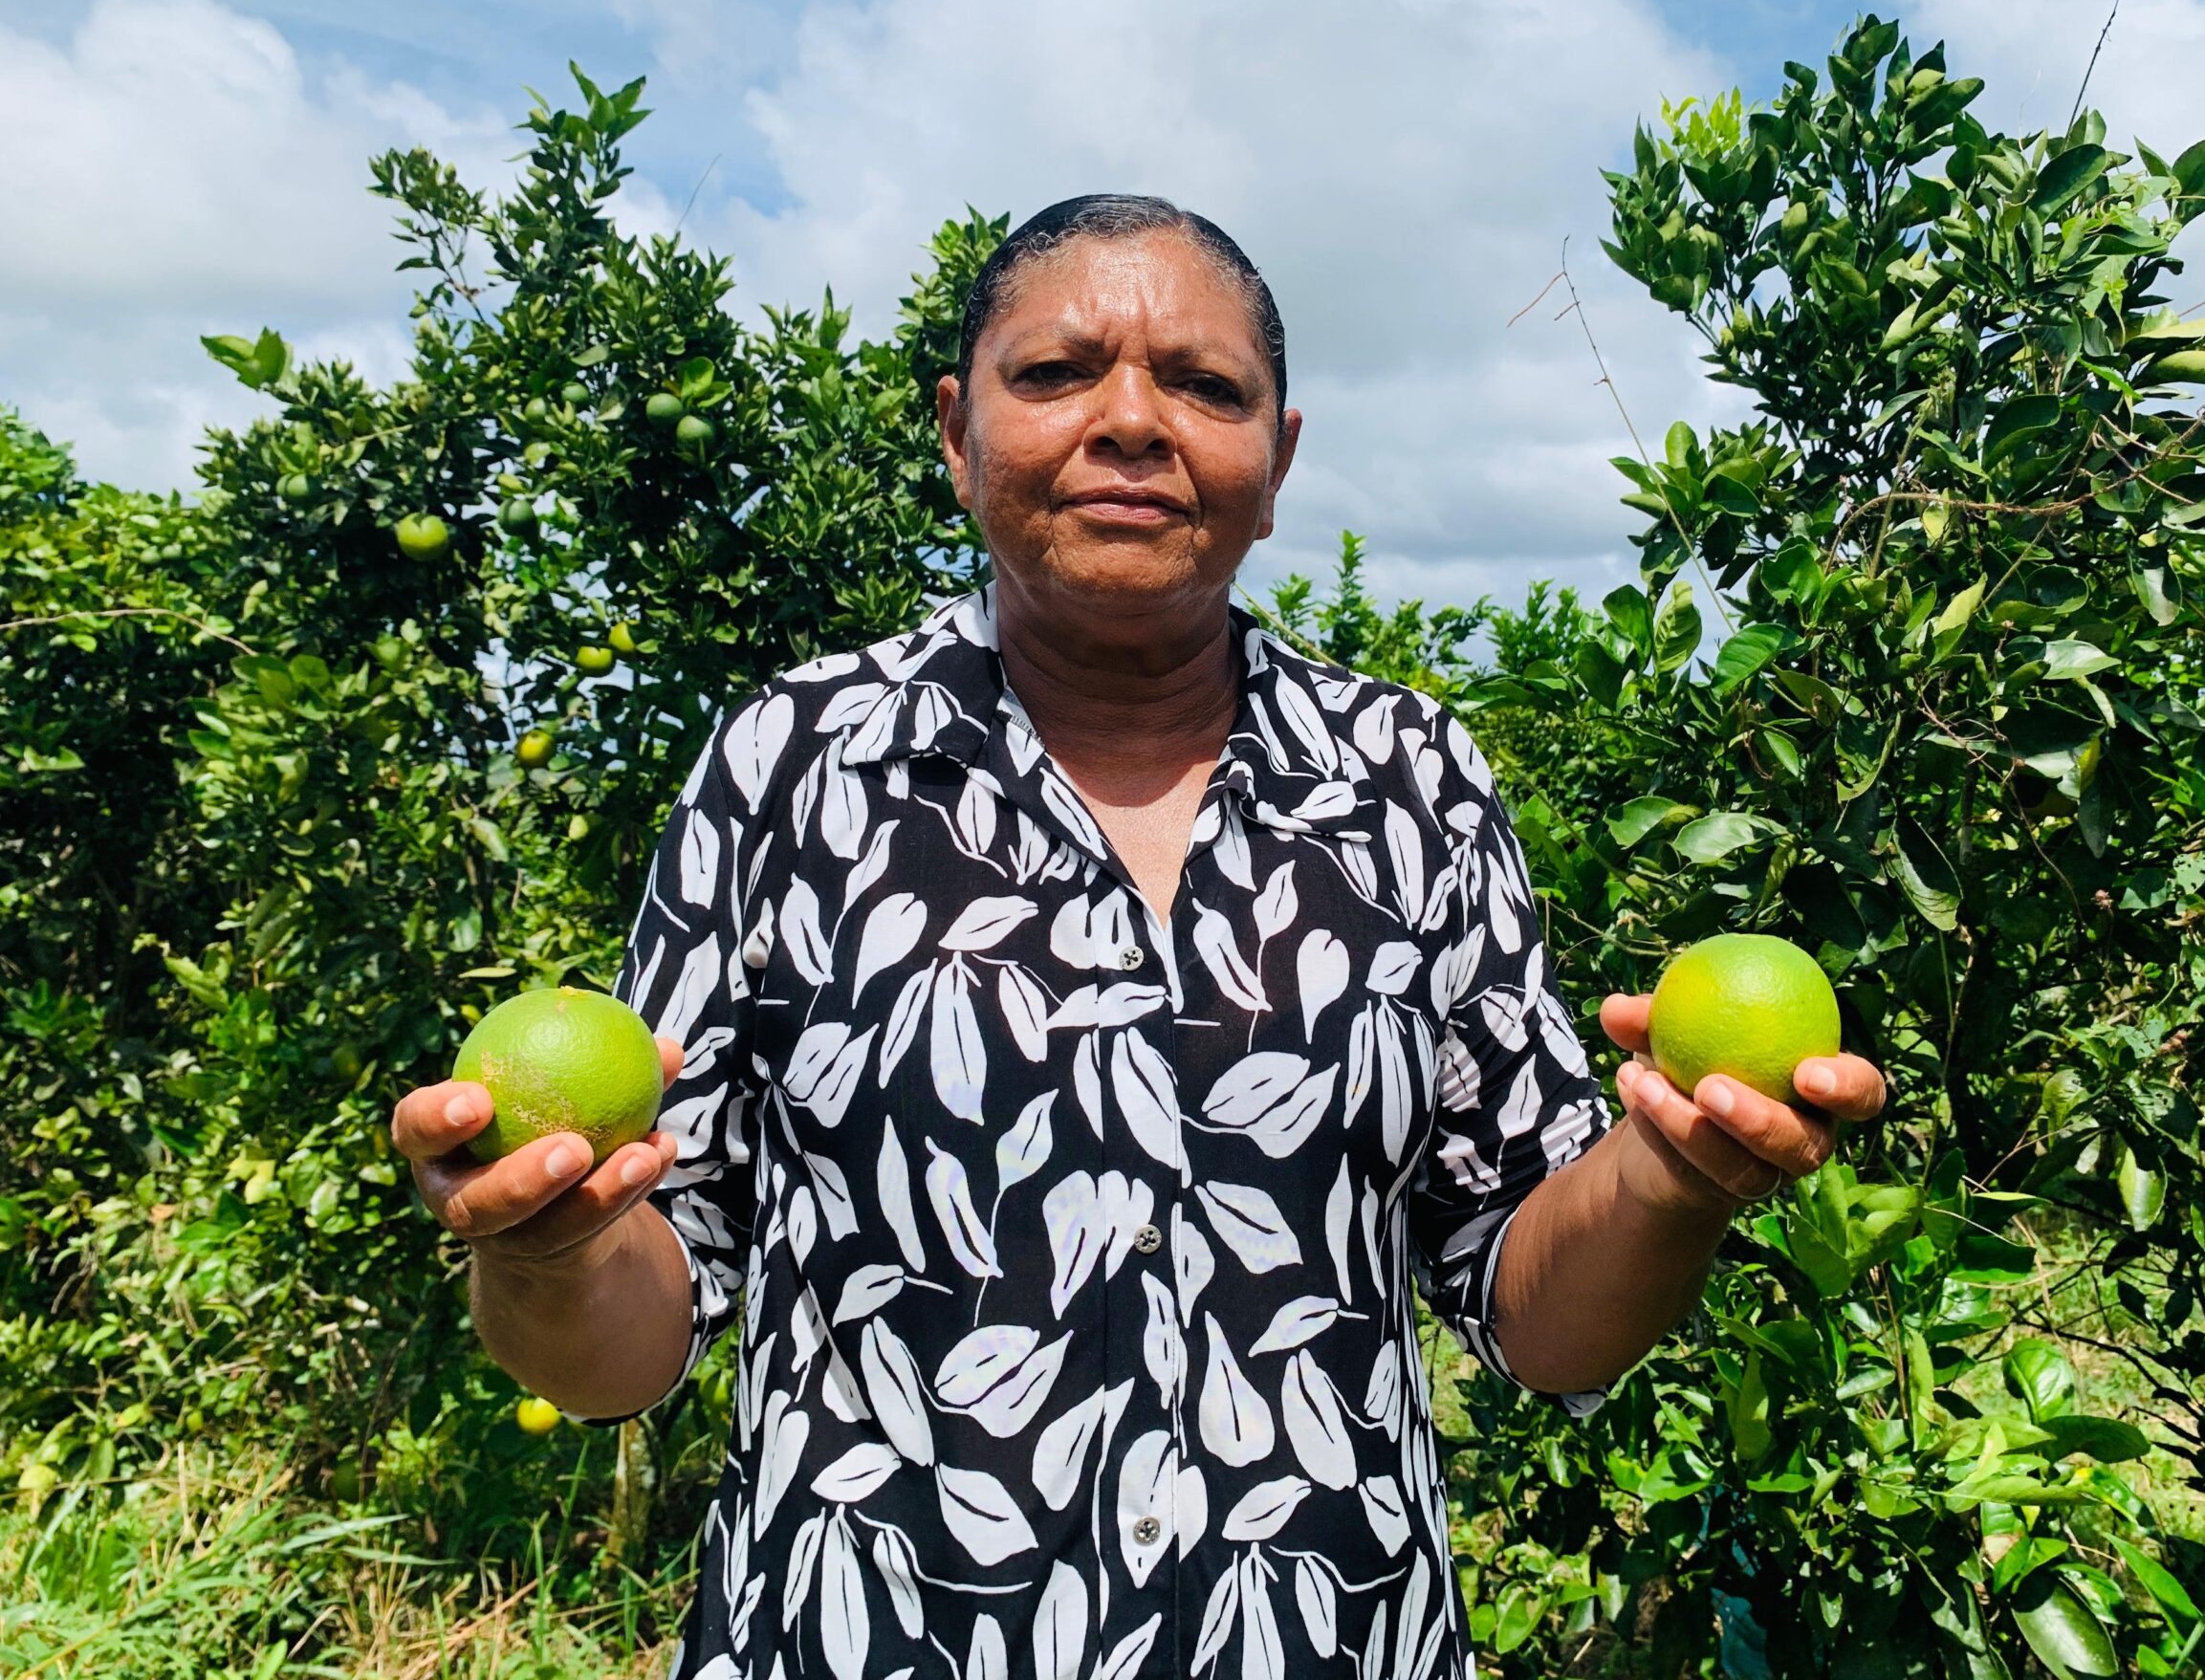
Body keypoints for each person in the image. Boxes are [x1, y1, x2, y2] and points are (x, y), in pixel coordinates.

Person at [389, 194, 1887, 1680]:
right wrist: (546, 1253)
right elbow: (633, 1344)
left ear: (1277, 460)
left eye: (1206, 385)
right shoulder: (793, 765)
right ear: (955, 432)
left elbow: (1537, 1318)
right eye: (1053, 374)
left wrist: (1674, 1178)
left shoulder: (1410, 779)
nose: (1129, 421)